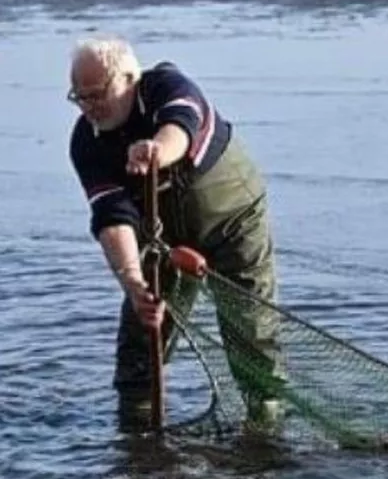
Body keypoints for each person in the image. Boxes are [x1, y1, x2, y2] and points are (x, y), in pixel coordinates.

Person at [66, 36, 281, 424]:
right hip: (162, 239)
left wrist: (155, 153)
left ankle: (264, 436)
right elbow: (112, 217)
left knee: (251, 336)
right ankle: (138, 441)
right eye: (79, 97)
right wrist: (132, 280)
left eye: (98, 94)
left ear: (130, 78)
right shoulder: (87, 143)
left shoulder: (169, 86)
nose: (89, 107)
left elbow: (181, 126)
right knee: (140, 342)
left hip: (233, 221)